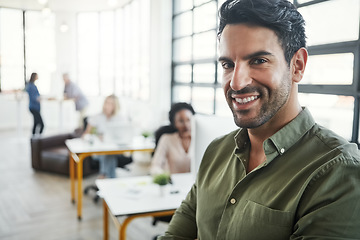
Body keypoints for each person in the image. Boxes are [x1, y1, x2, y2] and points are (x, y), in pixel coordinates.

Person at [159, 0, 360, 239]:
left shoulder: (338, 171)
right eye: (228, 64)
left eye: (258, 61)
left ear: (297, 65)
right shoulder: (216, 151)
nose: (236, 82)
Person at [83, 94, 130, 178]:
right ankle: (110, 180)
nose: (107, 106)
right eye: (106, 103)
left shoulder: (121, 118)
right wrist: (96, 138)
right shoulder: (96, 117)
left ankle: (103, 175)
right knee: (108, 154)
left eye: (111, 103)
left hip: (116, 150)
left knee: (110, 153)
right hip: (99, 151)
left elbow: (124, 135)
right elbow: (86, 134)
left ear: (115, 106)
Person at [150, 102, 195, 175]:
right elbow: (155, 167)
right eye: (181, 121)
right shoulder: (167, 139)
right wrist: (165, 178)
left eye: (188, 120)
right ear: (174, 123)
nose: (186, 125)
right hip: (172, 184)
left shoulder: (199, 140)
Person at [26, 72, 44, 136]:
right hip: (34, 107)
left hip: (36, 107)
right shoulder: (30, 86)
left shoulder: (33, 85)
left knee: (36, 123)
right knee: (41, 124)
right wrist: (38, 98)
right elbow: (33, 97)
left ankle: (33, 138)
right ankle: (39, 138)